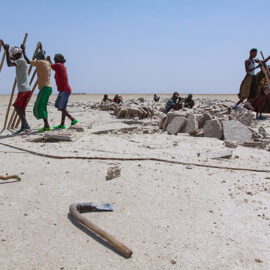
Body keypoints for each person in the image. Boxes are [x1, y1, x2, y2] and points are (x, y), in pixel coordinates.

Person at [3, 42, 32, 133]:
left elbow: (9, 64)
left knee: (16, 106)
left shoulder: (20, 61)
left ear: (15, 55)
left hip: (23, 89)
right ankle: (24, 126)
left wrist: (7, 51)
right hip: (27, 89)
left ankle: (26, 124)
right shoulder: (21, 61)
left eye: (13, 56)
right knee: (22, 108)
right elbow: (11, 60)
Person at [47, 54, 78, 129]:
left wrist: (48, 60)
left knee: (60, 107)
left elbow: (52, 66)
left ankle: (72, 119)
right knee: (62, 107)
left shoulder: (59, 65)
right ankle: (62, 124)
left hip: (65, 90)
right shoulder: (60, 66)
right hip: (63, 90)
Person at [27, 47, 52, 132]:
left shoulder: (40, 62)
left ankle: (47, 125)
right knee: (43, 106)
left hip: (44, 87)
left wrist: (23, 52)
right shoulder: (48, 63)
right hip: (49, 87)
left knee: (39, 106)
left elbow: (28, 61)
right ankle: (46, 125)